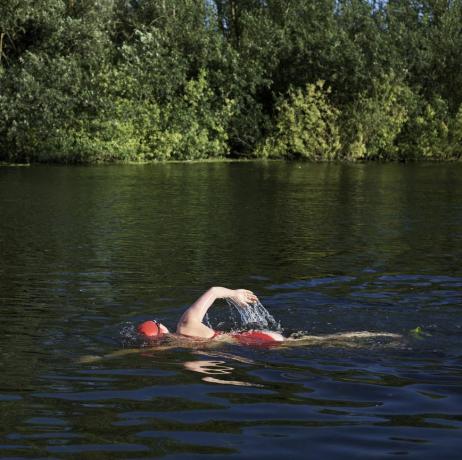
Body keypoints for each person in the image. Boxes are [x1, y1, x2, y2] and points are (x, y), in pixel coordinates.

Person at [137, 286, 284, 346]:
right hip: (257, 338)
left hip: (248, 346)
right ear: (160, 329)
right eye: (156, 322)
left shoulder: (179, 346)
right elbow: (214, 291)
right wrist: (234, 294)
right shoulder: (186, 325)